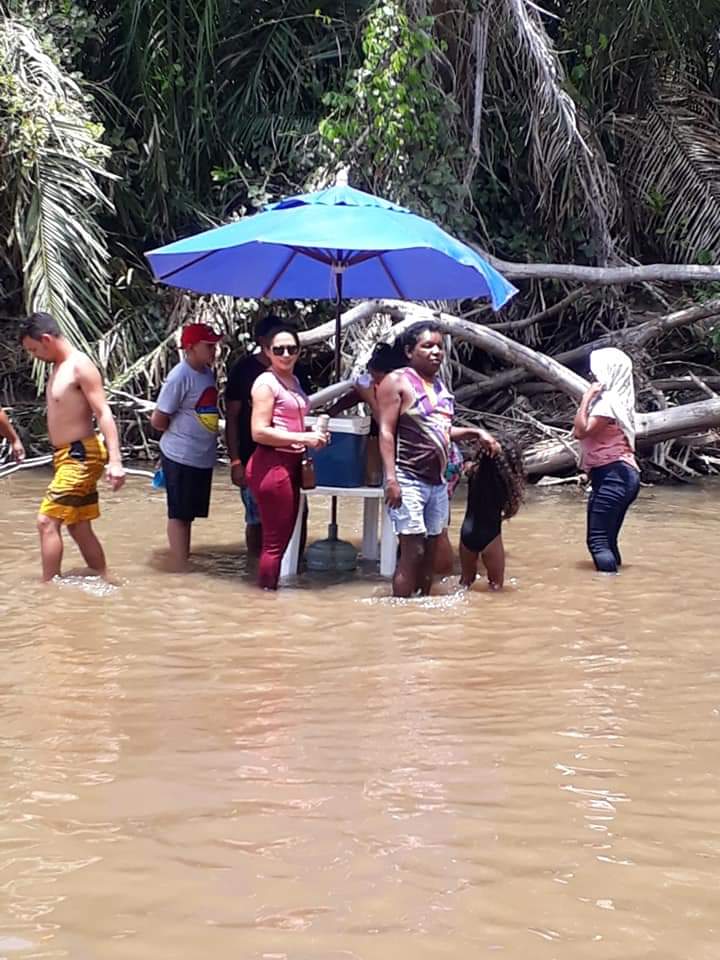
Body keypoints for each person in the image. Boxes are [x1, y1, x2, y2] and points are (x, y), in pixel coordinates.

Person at [377, 322, 500, 598]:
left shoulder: (441, 388)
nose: (436, 352)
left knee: (432, 551)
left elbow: (444, 431)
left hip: (437, 482)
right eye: (427, 346)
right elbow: (386, 432)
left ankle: (422, 612)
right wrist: (391, 479)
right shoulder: (396, 382)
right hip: (407, 478)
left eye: (439, 347)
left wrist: (475, 432)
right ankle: (402, 614)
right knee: (413, 550)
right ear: (409, 351)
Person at [19, 311, 126, 581]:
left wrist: (116, 461)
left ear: (46, 339)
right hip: (67, 456)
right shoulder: (58, 367)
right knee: (78, 525)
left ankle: (48, 590)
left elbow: (103, 413)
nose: (35, 356)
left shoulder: (80, 366)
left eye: (34, 349)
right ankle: (104, 576)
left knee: (46, 521)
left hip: (81, 455)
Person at [246, 326, 328, 590]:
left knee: (283, 539)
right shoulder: (266, 383)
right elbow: (258, 432)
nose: (285, 354)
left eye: (291, 349)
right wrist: (304, 439)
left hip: (291, 462)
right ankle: (265, 602)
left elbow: (288, 422)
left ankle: (268, 599)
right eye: (278, 349)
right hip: (271, 464)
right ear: (267, 352)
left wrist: (310, 433)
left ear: (299, 352)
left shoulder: (292, 381)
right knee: (274, 543)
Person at [150, 323, 221, 571]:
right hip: (180, 455)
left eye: (215, 346)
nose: (214, 351)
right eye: (209, 346)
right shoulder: (180, 376)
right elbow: (158, 419)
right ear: (190, 348)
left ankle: (183, 559)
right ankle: (180, 567)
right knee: (179, 515)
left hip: (200, 456)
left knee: (189, 514)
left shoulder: (206, 373)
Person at [573, 347, 640, 573]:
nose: (592, 376)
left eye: (596, 371)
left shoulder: (607, 402)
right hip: (620, 474)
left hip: (615, 475)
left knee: (598, 541)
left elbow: (581, 431)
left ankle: (606, 592)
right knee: (608, 541)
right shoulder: (620, 399)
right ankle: (615, 591)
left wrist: (586, 398)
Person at [225, 315, 278, 557]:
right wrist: (235, 461)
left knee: (297, 514)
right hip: (251, 455)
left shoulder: (294, 369)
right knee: (256, 519)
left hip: (288, 456)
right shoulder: (244, 370)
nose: (284, 351)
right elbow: (232, 418)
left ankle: (292, 568)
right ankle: (254, 567)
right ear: (262, 342)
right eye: (276, 343)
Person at [459, 434, 525, 590]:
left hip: (467, 533)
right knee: (496, 586)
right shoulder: (505, 483)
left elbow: (467, 465)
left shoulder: (473, 473)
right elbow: (509, 508)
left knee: (465, 582)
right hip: (491, 537)